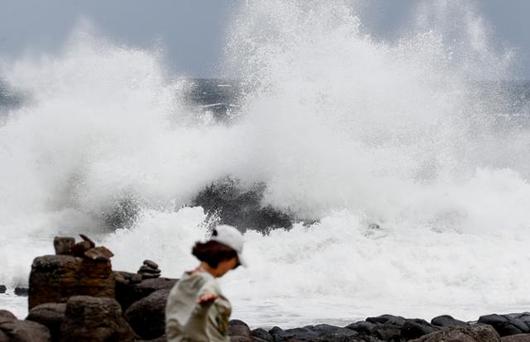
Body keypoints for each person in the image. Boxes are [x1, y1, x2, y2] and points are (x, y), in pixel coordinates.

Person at [165, 225, 247, 342]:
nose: (232, 268)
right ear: (226, 255)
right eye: (236, 263)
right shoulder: (209, 286)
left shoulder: (184, 281)